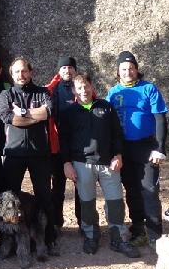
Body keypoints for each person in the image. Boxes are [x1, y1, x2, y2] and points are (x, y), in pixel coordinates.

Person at [60, 72, 140, 258]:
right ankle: (90, 235)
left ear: (91, 86)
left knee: (115, 200)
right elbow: (63, 140)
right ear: (74, 90)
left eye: (86, 86)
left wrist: (118, 155)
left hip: (108, 162)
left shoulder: (106, 107)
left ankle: (118, 237)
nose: (83, 90)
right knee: (86, 202)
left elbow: (116, 134)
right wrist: (66, 163)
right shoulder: (68, 113)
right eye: (79, 88)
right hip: (81, 163)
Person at [106, 51, 169, 247]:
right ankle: (138, 228)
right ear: (118, 72)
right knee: (131, 189)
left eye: (131, 68)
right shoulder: (113, 92)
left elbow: (160, 118)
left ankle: (155, 234)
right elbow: (108, 122)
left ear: (137, 69)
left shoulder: (148, 88)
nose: (128, 72)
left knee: (149, 189)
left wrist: (160, 148)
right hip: (123, 148)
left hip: (146, 146)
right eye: (124, 69)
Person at [0, 56, 60, 256]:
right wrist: (33, 115)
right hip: (13, 154)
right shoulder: (6, 94)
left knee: (44, 196)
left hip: (39, 153)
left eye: (24, 71)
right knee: (9, 198)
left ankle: (48, 237)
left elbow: (48, 112)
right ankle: (9, 238)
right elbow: (8, 118)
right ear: (11, 74)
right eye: (17, 71)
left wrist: (22, 114)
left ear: (30, 72)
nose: (21, 75)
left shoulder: (43, 92)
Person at [46, 56, 82, 231]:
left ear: (75, 70)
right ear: (59, 71)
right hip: (56, 145)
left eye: (70, 68)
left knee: (80, 186)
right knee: (57, 187)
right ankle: (56, 223)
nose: (67, 71)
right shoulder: (51, 90)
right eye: (64, 68)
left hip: (79, 145)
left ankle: (83, 222)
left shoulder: (82, 88)